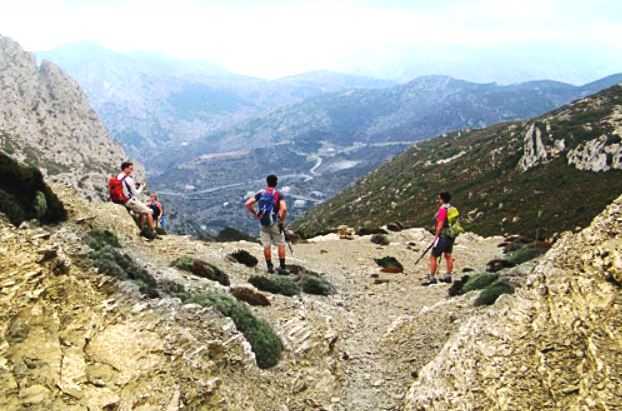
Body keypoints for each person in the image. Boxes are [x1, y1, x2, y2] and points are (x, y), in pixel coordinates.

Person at [245, 174, 288, 274]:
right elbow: (284, 209)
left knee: (266, 246)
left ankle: (269, 267)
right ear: (276, 183)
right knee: (281, 244)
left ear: (267, 182)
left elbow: (247, 204)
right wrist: (281, 221)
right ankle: (282, 267)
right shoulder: (278, 194)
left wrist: (254, 213)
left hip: (263, 223)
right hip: (275, 223)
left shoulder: (261, 193)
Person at [421, 191, 455, 286]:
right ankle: (448, 276)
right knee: (448, 255)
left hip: (443, 236)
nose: (439, 200)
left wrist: (436, 236)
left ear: (443, 199)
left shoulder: (443, 210)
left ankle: (431, 277)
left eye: (439, 198)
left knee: (433, 256)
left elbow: (440, 224)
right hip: (451, 235)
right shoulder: (452, 208)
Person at [118, 161, 155, 231]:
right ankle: (153, 232)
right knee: (149, 211)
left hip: (120, 199)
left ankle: (140, 228)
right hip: (128, 201)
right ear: (125, 168)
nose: (131, 170)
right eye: (130, 168)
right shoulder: (128, 179)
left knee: (142, 209)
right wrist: (142, 187)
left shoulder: (118, 176)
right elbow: (135, 193)